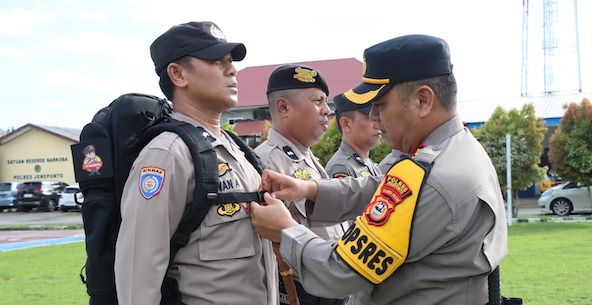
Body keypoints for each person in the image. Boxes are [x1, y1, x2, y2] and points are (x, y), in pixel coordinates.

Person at [249, 34, 508, 305]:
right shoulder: (451, 150)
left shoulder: (434, 176)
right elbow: (381, 187)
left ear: (422, 101)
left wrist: (285, 230)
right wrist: (309, 189)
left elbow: (340, 270)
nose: (373, 117)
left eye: (380, 105)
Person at [114, 21, 278, 305]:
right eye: (217, 61)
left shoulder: (238, 151)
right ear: (177, 74)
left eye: (231, 61)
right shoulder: (167, 155)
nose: (232, 70)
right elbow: (138, 271)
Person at [254, 64, 350, 305]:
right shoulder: (265, 162)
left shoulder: (307, 158)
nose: (327, 111)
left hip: (332, 285)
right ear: (284, 107)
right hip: (300, 292)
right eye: (318, 101)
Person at [325, 93, 382, 180]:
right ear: (346, 124)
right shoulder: (341, 167)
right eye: (370, 118)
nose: (377, 125)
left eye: (377, 119)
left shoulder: (368, 164)